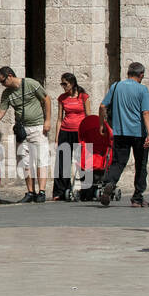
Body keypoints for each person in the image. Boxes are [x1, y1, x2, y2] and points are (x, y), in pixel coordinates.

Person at [0, 67, 51, 203]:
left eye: (3, 81)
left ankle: (41, 191)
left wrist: (47, 120)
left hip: (38, 127)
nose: (2, 84)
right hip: (22, 130)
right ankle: (30, 191)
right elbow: (0, 112)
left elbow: (46, 99)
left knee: (41, 160)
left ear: (10, 76)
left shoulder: (30, 84)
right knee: (25, 161)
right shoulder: (7, 94)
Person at [98, 62, 149, 207]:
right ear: (141, 75)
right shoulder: (142, 89)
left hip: (120, 132)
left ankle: (110, 182)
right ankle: (137, 198)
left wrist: (102, 124)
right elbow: (146, 112)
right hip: (138, 133)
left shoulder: (115, 86)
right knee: (141, 165)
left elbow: (103, 106)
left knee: (118, 162)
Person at [52, 73, 91, 201]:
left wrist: (89, 134)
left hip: (80, 132)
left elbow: (88, 117)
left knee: (83, 161)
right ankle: (60, 192)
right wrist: (57, 137)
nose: (63, 86)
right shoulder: (62, 98)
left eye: (65, 84)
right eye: (61, 84)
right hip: (65, 130)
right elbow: (59, 119)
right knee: (62, 162)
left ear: (72, 83)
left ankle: (86, 191)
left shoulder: (83, 97)